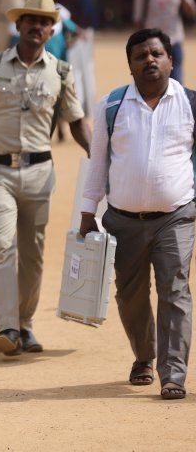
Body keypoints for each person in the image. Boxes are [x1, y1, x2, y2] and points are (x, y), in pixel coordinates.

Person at [0, 0, 91, 356]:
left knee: (34, 254)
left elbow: (77, 124)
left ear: (51, 29)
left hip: (40, 175)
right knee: (1, 246)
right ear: (18, 25)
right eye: (31, 20)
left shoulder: (61, 71)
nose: (37, 27)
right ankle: (8, 328)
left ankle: (26, 324)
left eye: (45, 22)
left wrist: (102, 161)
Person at [80, 28, 195, 400]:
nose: (149, 60)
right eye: (141, 55)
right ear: (130, 65)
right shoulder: (112, 106)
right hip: (122, 221)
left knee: (174, 290)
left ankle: (173, 373)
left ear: (170, 60)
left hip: (175, 217)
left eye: (156, 54)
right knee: (130, 297)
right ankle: (144, 356)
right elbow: (97, 165)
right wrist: (87, 212)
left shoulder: (191, 104)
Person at [132, 0, 196, 84]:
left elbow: (192, 12)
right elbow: (137, 18)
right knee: (153, 84)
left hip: (174, 41)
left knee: (176, 84)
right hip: (152, 44)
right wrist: (138, 43)